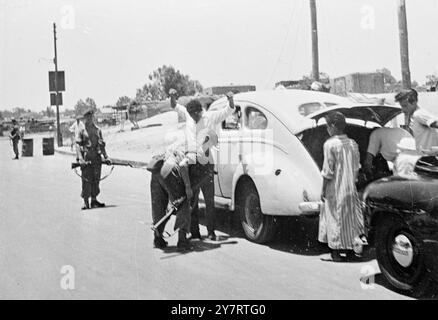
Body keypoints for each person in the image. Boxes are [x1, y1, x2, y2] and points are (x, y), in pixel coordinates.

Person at [169, 88, 236, 240]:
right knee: (192, 201)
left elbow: (228, 111)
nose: (193, 118)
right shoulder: (188, 114)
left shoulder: (210, 117)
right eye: (191, 116)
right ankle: (195, 232)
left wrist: (231, 100)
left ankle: (211, 232)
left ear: (200, 112)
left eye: (195, 115)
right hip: (192, 165)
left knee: (209, 201)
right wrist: (172, 96)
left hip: (206, 165)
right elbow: (175, 106)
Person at [319, 111, 364, 262]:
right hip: (350, 185)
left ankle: (336, 252)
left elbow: (328, 171)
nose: (327, 129)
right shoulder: (353, 143)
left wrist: (323, 189)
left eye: (327, 125)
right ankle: (351, 251)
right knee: (350, 220)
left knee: (334, 217)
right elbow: (357, 166)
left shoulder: (329, 144)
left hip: (335, 186)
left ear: (333, 126)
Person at [148, 145, 195, 251]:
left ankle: (158, 238)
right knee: (182, 204)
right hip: (170, 171)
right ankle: (182, 241)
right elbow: (183, 165)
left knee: (158, 207)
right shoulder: (194, 150)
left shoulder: (174, 146)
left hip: (157, 172)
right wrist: (187, 187)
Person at [75, 109, 111, 210]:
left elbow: (101, 145)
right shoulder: (82, 131)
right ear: (84, 118)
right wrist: (81, 158)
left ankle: (94, 200)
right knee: (86, 180)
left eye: (90, 117)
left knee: (96, 180)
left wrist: (106, 157)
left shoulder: (98, 130)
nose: (89, 119)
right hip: (87, 158)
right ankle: (86, 202)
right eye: (87, 117)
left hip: (97, 158)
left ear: (92, 118)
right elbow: (78, 146)